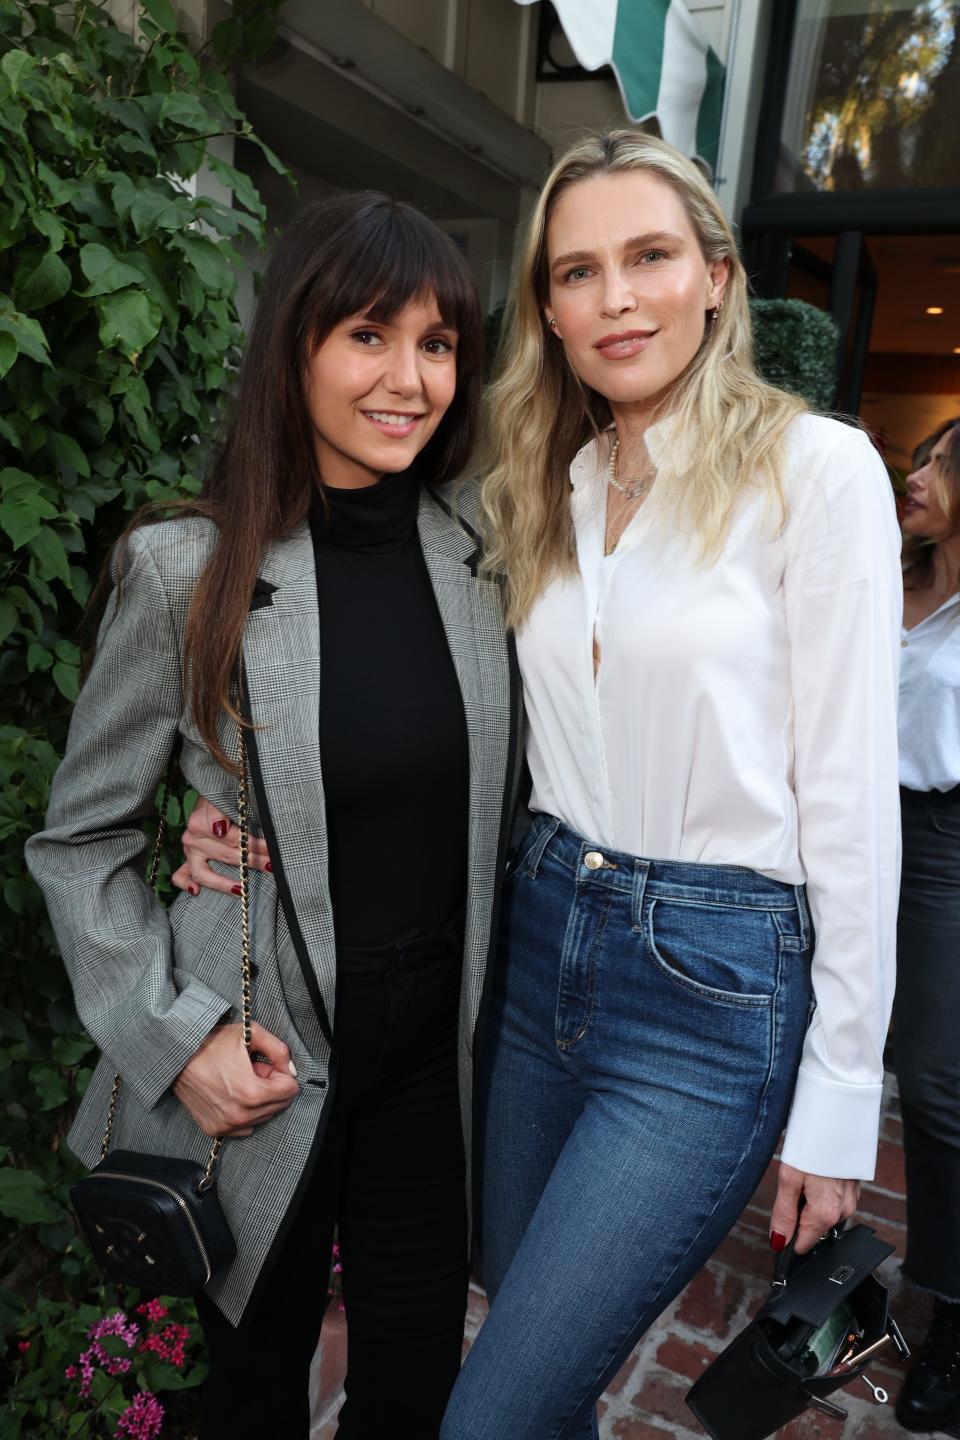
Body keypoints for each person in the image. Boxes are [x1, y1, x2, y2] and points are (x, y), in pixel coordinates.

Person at [26, 192, 523, 1440]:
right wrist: (166, 1037)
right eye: (368, 335)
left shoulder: (489, 553)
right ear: (294, 343)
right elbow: (78, 839)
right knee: (256, 1391)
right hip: (266, 1058)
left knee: (414, 1386)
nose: (408, 379)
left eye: (438, 343)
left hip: (428, 1057)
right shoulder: (189, 572)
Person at [435, 129, 902, 1440]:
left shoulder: (814, 474)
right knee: (536, 1361)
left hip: (710, 990)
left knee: (495, 1416)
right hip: (537, 950)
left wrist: (838, 1101)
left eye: (648, 257)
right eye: (577, 272)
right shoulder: (551, 482)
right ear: (547, 309)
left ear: (716, 275)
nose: (617, 298)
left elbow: (854, 807)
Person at [892, 417, 960, 1434]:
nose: (917, 475)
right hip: (850, 819)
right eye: (922, 456)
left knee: (939, 1085)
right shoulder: (887, 572)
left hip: (944, 840)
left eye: (944, 465)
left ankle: (951, 1319)